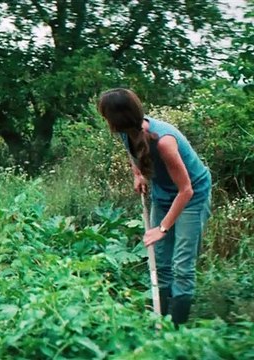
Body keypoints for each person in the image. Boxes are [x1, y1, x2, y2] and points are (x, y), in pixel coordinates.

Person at [96, 88, 212, 328]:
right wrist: (137, 174)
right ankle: (161, 318)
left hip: (192, 196)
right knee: (159, 263)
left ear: (119, 117)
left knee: (181, 265)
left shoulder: (164, 141)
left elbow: (186, 190)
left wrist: (163, 228)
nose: (105, 121)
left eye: (106, 116)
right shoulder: (127, 132)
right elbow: (132, 153)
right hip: (163, 194)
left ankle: (175, 330)